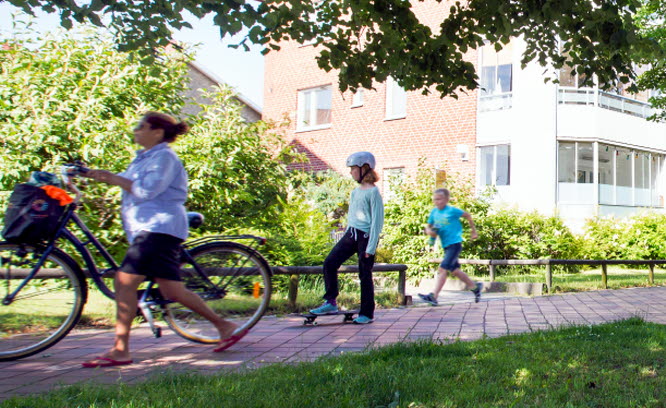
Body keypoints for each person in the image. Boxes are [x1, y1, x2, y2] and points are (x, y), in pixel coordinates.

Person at [81, 112, 243, 368]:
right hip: (152, 230)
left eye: (140, 126)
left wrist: (113, 178)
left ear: (157, 132)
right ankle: (224, 326)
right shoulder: (144, 158)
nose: (135, 130)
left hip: (158, 228)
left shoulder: (165, 157)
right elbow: (126, 181)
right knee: (172, 290)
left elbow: (146, 190)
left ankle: (120, 349)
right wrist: (89, 174)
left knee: (124, 282)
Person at [309, 152, 384, 324]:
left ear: (363, 168)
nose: (350, 172)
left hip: (366, 237)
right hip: (351, 234)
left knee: (364, 274)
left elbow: (377, 222)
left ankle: (367, 313)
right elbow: (353, 216)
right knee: (330, 262)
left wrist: (370, 247)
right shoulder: (355, 192)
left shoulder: (373, 193)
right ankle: (330, 301)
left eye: (352, 169)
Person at [418, 188, 482, 306]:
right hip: (446, 246)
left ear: (447, 199)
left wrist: (473, 231)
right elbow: (432, 227)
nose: (437, 202)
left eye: (440, 199)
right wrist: (430, 238)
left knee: (442, 269)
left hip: (455, 244)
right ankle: (475, 287)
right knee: (455, 271)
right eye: (435, 199)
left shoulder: (452, 211)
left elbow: (468, 216)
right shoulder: (434, 213)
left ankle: (434, 296)